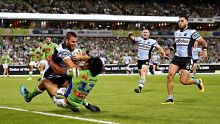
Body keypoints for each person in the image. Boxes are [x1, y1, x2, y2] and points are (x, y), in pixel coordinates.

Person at [21, 55, 103, 112]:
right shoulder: (96, 77)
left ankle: (28, 97)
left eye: (85, 62)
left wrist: (50, 60)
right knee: (67, 83)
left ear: (87, 65)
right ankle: (86, 105)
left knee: (44, 82)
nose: (84, 62)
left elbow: (58, 70)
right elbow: (97, 64)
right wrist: (82, 57)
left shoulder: (78, 72)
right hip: (78, 102)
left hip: (64, 102)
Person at [162, 16, 207, 104]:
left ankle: (197, 81)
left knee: (184, 81)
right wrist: (170, 50)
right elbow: (176, 44)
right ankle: (170, 99)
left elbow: (203, 42)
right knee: (169, 76)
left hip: (187, 59)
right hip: (177, 58)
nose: (180, 23)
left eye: (182, 21)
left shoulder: (192, 32)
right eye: (179, 21)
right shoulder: (177, 33)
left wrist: (204, 50)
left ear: (187, 23)